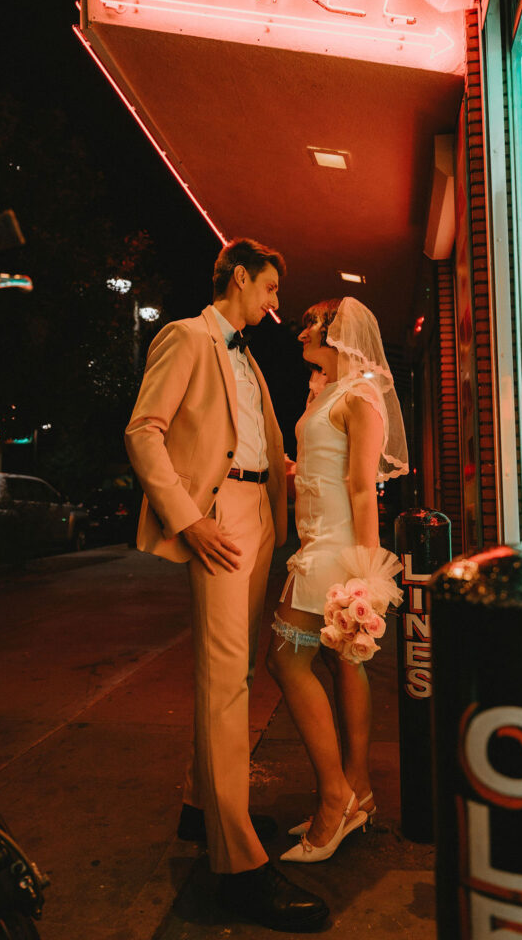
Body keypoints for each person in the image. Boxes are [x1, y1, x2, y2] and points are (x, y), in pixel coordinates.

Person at [125, 238, 329, 932]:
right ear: (238, 278)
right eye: (270, 289)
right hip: (218, 517)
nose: (276, 305)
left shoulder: (243, 352)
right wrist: (188, 517)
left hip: (258, 515)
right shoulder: (185, 336)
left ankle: (198, 807)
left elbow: (258, 443)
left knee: (237, 670)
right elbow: (143, 431)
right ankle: (237, 868)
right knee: (224, 683)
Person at [266, 296, 409, 862]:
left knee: (285, 659)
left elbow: (361, 489)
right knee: (339, 660)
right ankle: (361, 792)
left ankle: (335, 799)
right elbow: (328, 466)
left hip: (335, 545)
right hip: (314, 538)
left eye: (310, 324)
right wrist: (298, 471)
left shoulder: (362, 395)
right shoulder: (327, 390)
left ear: (335, 330)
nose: (301, 332)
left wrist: (367, 578)